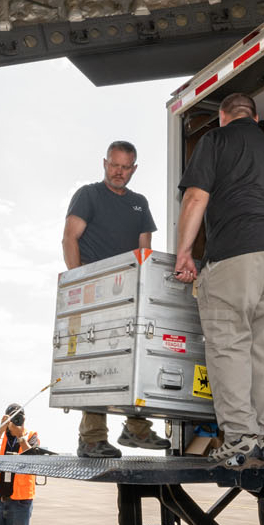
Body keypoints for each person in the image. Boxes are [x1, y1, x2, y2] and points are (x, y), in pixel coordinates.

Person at [173, 92, 264, 470]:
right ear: (256, 117)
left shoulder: (215, 139)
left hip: (237, 250)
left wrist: (185, 252)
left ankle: (241, 440)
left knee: (229, 342)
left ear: (223, 116)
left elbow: (196, 198)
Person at [62, 140, 171, 458]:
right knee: (95, 364)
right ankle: (91, 438)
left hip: (128, 293)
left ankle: (135, 430)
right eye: (114, 165)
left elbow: (145, 251)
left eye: (126, 167)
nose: (119, 172)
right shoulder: (89, 195)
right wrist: (78, 279)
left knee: (134, 358)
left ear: (134, 169)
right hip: (94, 289)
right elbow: (70, 237)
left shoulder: (139, 203)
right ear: (105, 163)